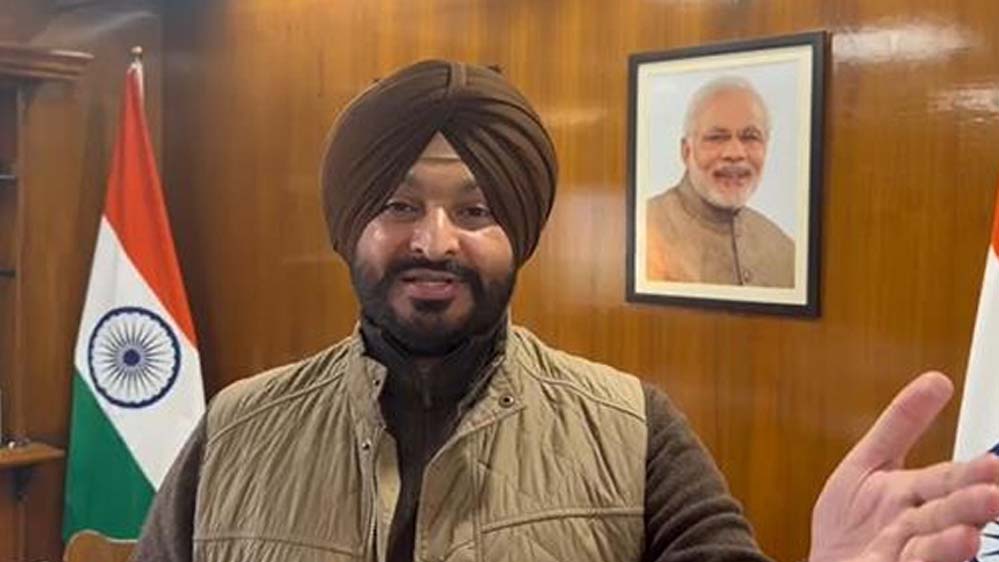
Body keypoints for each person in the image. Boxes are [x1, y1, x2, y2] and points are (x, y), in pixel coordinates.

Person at [131, 60, 999, 562]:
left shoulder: (632, 430)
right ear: (349, 223)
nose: (434, 240)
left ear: (519, 231)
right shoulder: (236, 432)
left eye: (475, 210)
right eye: (398, 205)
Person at [645, 76, 794, 287]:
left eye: (750, 137)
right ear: (686, 152)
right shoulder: (643, 231)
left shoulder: (784, 250)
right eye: (717, 137)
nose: (735, 153)